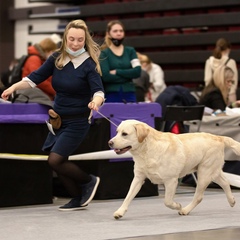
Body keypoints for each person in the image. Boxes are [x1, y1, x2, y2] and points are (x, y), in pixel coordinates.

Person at [1, 19, 105, 211]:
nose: (75, 43)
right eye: (71, 39)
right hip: (58, 120)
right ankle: (77, 198)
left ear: (85, 41)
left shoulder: (89, 64)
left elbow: (99, 92)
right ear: (65, 38)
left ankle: (89, 180)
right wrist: (13, 87)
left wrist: (95, 102)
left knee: (55, 160)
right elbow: (34, 79)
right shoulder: (56, 58)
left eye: (80, 40)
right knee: (58, 161)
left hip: (78, 121)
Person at [99, 20, 141, 103]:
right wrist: (128, 75)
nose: (118, 33)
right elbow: (105, 76)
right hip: (111, 94)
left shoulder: (130, 51)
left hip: (129, 93)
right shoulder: (104, 53)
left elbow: (137, 71)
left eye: (121, 31)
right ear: (108, 34)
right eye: (115, 31)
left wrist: (117, 72)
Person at [204, 38, 238, 104]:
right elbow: (234, 81)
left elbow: (207, 81)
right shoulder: (231, 62)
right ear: (228, 49)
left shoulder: (209, 62)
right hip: (228, 96)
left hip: (213, 96)